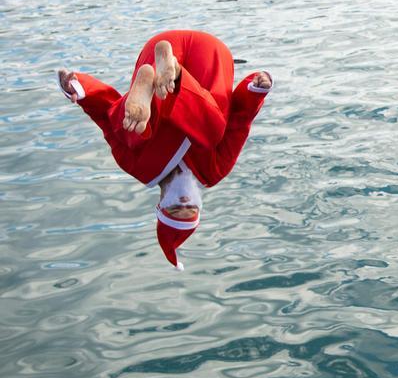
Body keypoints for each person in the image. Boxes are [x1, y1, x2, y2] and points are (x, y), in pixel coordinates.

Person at [57, 30, 273, 269]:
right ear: (200, 203)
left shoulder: (137, 167)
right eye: (190, 208)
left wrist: (79, 87)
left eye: (175, 208)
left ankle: (146, 95)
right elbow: (239, 124)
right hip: (209, 60)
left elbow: (104, 119)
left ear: (160, 205)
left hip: (157, 57)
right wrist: (255, 91)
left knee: (130, 135)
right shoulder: (214, 170)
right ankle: (173, 73)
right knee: (214, 133)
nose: (183, 201)